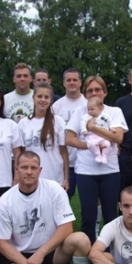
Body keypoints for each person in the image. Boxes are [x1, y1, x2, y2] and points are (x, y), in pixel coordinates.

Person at [0, 151, 102, 264]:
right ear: (16, 169)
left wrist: (40, 254)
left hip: (50, 252)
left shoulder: (54, 189)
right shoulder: (6, 201)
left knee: (81, 239)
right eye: (24, 167)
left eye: (33, 168)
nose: (29, 172)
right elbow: (2, 243)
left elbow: (66, 227)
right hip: (20, 256)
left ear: (40, 170)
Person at [66, 76, 128, 243]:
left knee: (110, 215)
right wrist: (89, 146)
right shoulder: (80, 111)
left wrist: (93, 127)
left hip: (110, 170)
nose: (94, 93)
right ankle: (88, 252)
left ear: (105, 92)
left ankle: (109, 251)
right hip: (86, 171)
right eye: (90, 90)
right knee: (88, 215)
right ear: (85, 94)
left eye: (97, 89)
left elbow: (118, 137)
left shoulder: (114, 112)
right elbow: (69, 138)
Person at [18, 82, 68, 189]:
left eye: (46, 97)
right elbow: (21, 152)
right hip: (31, 176)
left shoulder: (58, 122)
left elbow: (64, 152)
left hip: (54, 176)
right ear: (33, 98)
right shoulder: (23, 123)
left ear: (51, 100)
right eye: (39, 96)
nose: (43, 100)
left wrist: (66, 178)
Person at [52, 68, 86, 199]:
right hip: (65, 162)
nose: (72, 82)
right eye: (69, 80)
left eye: (75, 80)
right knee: (64, 196)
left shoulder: (88, 104)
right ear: (63, 83)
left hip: (85, 160)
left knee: (90, 198)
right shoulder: (56, 106)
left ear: (80, 82)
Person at [81, 97, 111, 164]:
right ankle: (97, 155)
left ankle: (104, 156)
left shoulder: (104, 116)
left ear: (100, 108)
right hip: (92, 136)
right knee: (92, 144)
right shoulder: (86, 116)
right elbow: (82, 123)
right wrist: (84, 130)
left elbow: (109, 122)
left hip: (103, 136)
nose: (90, 111)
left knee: (107, 144)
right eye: (88, 109)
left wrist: (112, 128)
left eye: (92, 109)